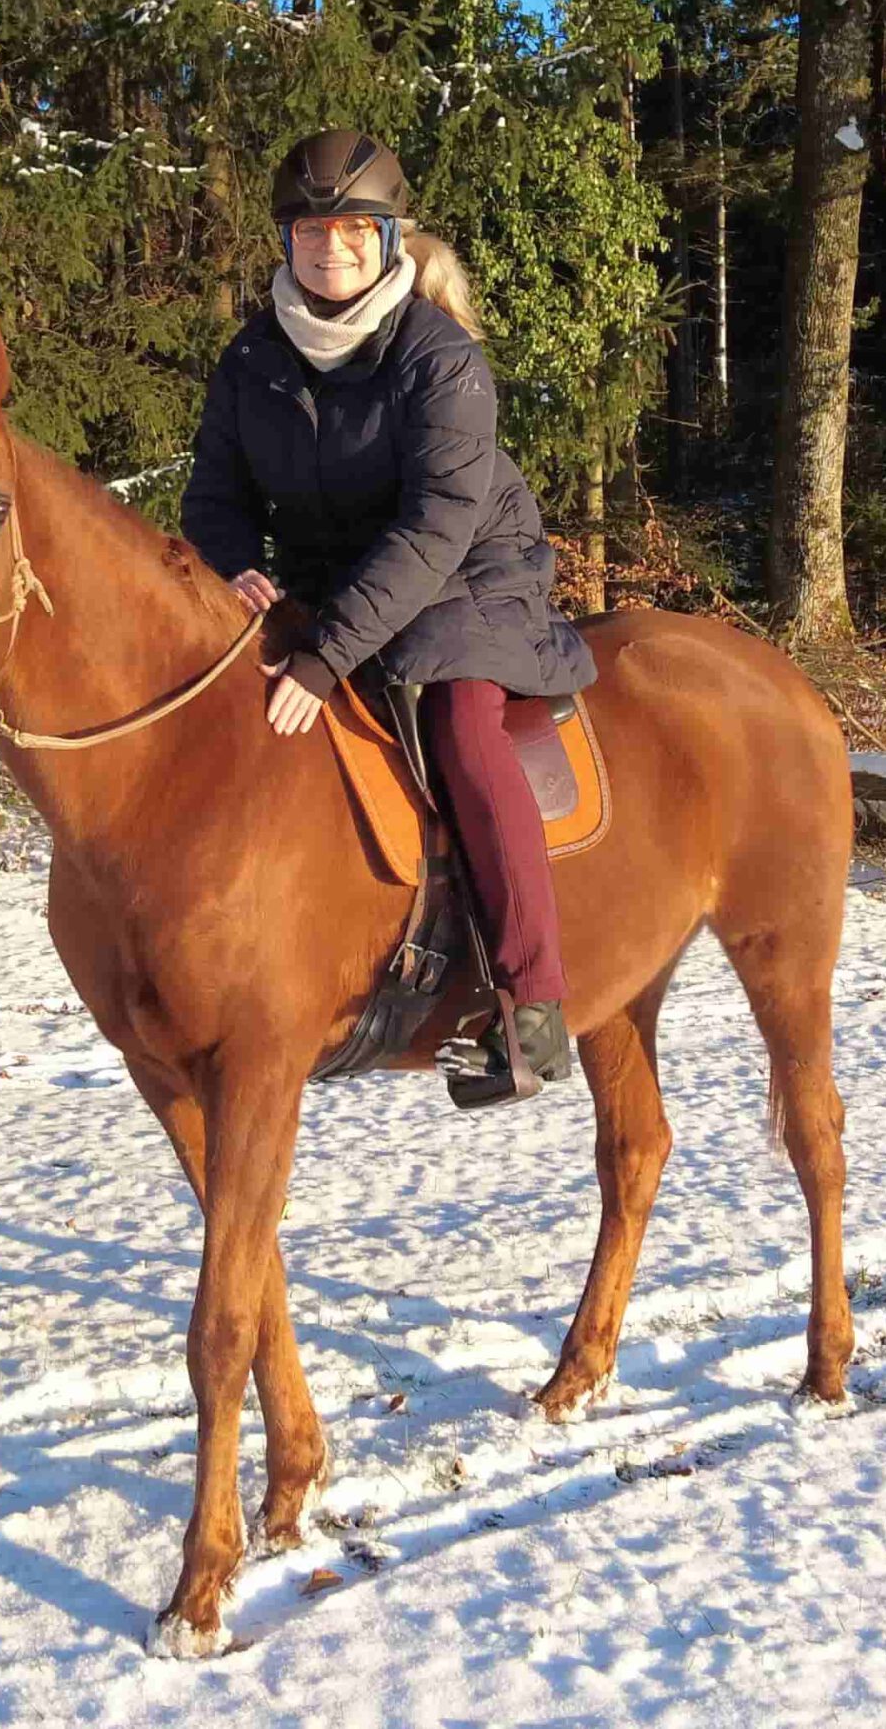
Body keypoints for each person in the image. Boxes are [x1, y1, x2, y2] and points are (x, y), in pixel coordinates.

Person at [178, 127, 599, 1103]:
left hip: (465, 577)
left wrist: (326, 653)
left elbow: (437, 521)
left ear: (387, 237)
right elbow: (214, 495)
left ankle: (532, 1007)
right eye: (310, 231)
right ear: (286, 242)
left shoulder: (439, 357)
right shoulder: (252, 359)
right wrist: (237, 567)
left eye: (352, 232)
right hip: (328, 582)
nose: (330, 249)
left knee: (458, 725)